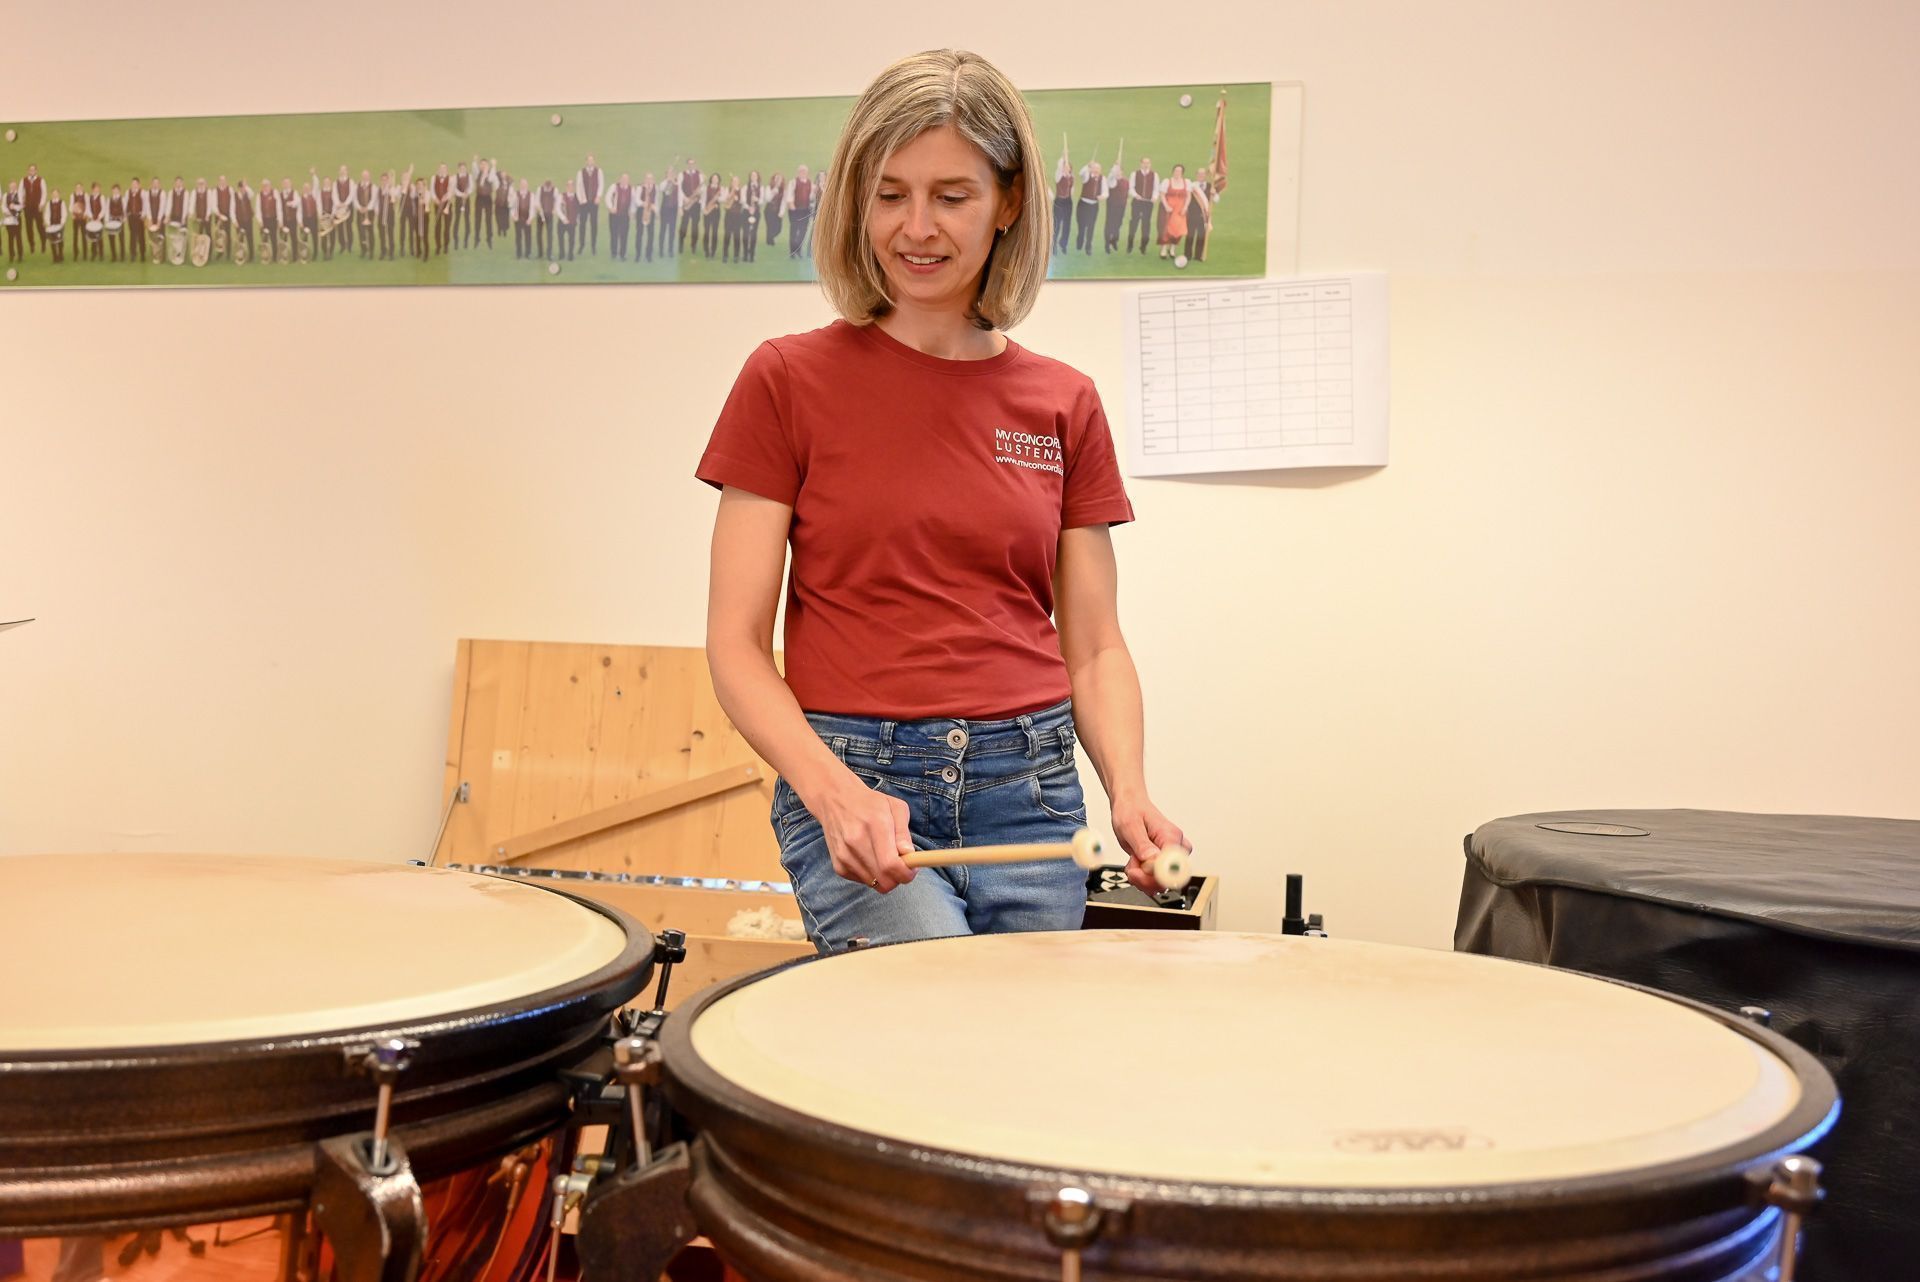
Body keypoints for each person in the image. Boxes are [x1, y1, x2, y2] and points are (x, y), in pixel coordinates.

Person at [698, 48, 1186, 955]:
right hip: (859, 778)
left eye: (951, 196)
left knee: (1010, 1069)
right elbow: (735, 646)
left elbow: (1095, 643)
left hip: (1032, 790)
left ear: (1007, 203)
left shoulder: (1062, 402)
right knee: (926, 1036)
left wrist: (1129, 788)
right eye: (890, 194)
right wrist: (830, 789)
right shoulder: (785, 381)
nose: (915, 226)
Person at [1158, 162, 1190, 259]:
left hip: (1180, 209)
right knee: (1165, 229)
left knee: (1178, 230)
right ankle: (1163, 249)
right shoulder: (1167, 181)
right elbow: (1162, 195)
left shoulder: (1186, 182)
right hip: (1168, 208)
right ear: (1173, 171)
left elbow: (1188, 196)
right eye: (1176, 171)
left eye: (1179, 171)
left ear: (1182, 172)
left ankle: (1172, 249)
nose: (1177, 173)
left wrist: (1185, 207)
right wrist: (1166, 206)